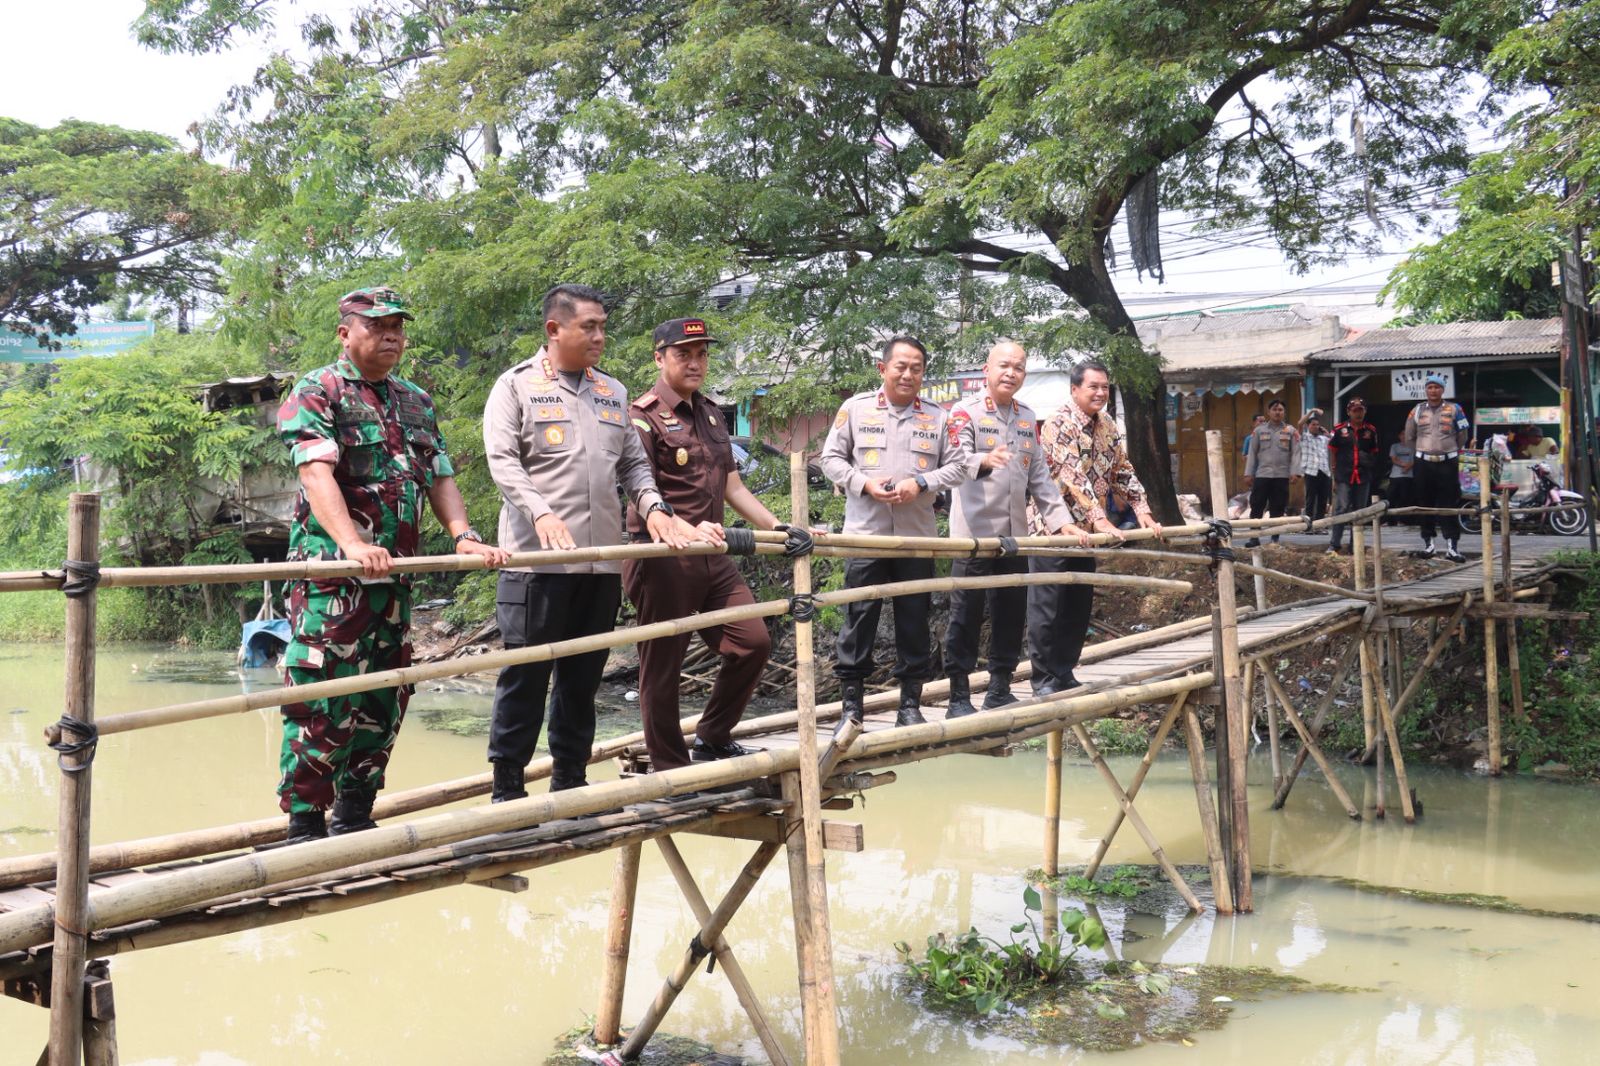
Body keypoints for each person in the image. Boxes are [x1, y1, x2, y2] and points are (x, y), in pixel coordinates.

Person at [276, 287, 511, 844]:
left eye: (398, 327)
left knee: (387, 693)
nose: (391, 337)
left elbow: (440, 474)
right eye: (377, 326)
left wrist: (465, 537)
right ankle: (305, 824)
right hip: (332, 580)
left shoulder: (414, 400)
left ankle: (356, 812)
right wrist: (350, 544)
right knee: (322, 694)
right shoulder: (318, 391)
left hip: (394, 579)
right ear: (345, 333)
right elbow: (315, 473)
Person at [482, 284, 701, 802]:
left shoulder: (612, 392)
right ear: (554, 330)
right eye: (590, 327)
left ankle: (571, 785)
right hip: (537, 563)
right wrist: (542, 513)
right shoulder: (515, 387)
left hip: (600, 565)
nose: (601, 336)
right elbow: (503, 461)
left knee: (582, 682)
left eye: (603, 325)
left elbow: (632, 465)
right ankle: (507, 791)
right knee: (526, 679)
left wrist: (655, 511)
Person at [622, 317, 804, 771]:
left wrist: (780, 527)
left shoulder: (709, 413)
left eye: (702, 354)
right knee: (662, 663)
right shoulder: (641, 416)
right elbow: (640, 488)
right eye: (684, 354)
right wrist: (684, 528)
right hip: (661, 554)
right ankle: (669, 766)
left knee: (753, 642)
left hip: (712, 552)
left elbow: (733, 486)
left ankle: (713, 736)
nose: (695, 362)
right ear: (659, 357)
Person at [819, 336, 969, 739]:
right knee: (858, 620)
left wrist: (920, 483)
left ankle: (910, 706)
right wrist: (865, 484)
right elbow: (830, 459)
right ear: (882, 369)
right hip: (865, 537)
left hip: (916, 538)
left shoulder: (939, 418)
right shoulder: (855, 409)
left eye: (916, 367)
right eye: (900, 366)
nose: (907, 374)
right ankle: (852, 709)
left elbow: (958, 468)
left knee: (914, 621)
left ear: (923, 374)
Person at [943, 341, 1088, 718]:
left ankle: (999, 687)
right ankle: (958, 696)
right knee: (965, 614)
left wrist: (1063, 524)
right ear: (986, 369)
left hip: (1014, 535)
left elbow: (1039, 477)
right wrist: (982, 460)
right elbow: (955, 460)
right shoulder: (965, 413)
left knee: (1010, 610)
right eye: (1004, 366)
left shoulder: (1026, 417)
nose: (1011, 373)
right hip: (973, 535)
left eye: (1019, 368)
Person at [1029, 360, 1162, 696]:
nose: (1101, 392)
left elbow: (1122, 470)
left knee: (1078, 602)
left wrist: (1141, 508)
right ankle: (1043, 679)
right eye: (1093, 386)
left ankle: (1064, 671)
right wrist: (1099, 517)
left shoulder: (1107, 425)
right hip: (1053, 529)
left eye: (1105, 387)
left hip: (1089, 532)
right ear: (1075, 389)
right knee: (1049, 604)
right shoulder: (1059, 423)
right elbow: (1072, 475)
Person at [1400, 373, 1469, 561]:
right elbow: (1409, 436)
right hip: (1423, 464)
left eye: (1437, 387)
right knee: (1424, 503)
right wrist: (1421, 453)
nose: (1433, 390)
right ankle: (1428, 545)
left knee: (1449, 503)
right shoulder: (1417, 410)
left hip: (1448, 462)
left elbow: (1462, 434)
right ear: (1426, 390)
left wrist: (1450, 450)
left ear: (1443, 390)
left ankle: (1452, 547)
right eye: (1430, 387)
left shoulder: (1455, 409)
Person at [1326, 396, 1381, 555]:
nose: (1358, 414)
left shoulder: (1371, 430)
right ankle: (1334, 544)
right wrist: (1334, 475)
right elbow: (1333, 452)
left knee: (1360, 511)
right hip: (1344, 475)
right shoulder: (1338, 430)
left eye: (1361, 411)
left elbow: (1374, 452)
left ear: (1365, 412)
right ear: (1348, 412)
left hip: (1363, 476)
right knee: (1341, 509)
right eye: (1355, 411)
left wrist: (1368, 465)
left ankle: (1354, 546)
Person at [1242, 399, 1300, 547]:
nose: (1277, 412)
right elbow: (1252, 453)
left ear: (1284, 412)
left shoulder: (1291, 431)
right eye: (1274, 410)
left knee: (1278, 507)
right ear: (1269, 412)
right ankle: (1254, 537)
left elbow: (1295, 453)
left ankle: (1274, 539)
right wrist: (1248, 473)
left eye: (1280, 410)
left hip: (1281, 476)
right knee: (1257, 506)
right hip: (1262, 475)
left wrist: (1295, 472)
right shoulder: (1259, 430)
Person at [1297, 410, 1332, 521]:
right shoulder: (1304, 437)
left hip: (1324, 471)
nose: (1316, 427)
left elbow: (1335, 442)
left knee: (1323, 499)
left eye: (1318, 425)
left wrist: (1327, 433)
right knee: (1310, 498)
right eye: (1313, 424)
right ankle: (1309, 523)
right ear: (1308, 426)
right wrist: (1312, 411)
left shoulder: (1323, 439)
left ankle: (1319, 523)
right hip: (1311, 471)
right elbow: (1299, 424)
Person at [1386, 438, 1415, 525]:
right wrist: (1404, 465)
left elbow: (1414, 459)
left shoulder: (1413, 447)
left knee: (1405, 499)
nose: (1404, 436)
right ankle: (1390, 521)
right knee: (1391, 498)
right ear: (1399, 435)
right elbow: (1394, 459)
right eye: (1402, 434)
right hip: (1395, 476)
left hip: (1408, 476)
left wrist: (1408, 467)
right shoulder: (1395, 446)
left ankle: (1402, 520)